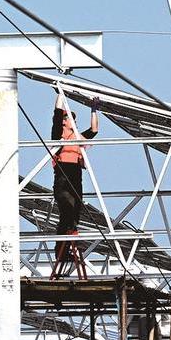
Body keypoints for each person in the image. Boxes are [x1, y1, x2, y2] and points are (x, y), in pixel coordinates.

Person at [51, 86, 98, 266]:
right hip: (63, 179)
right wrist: (60, 94)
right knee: (67, 211)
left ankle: (66, 250)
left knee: (75, 212)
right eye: (68, 118)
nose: (72, 121)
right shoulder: (58, 135)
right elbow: (57, 114)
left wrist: (94, 109)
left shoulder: (78, 137)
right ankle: (61, 252)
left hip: (76, 178)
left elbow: (94, 130)